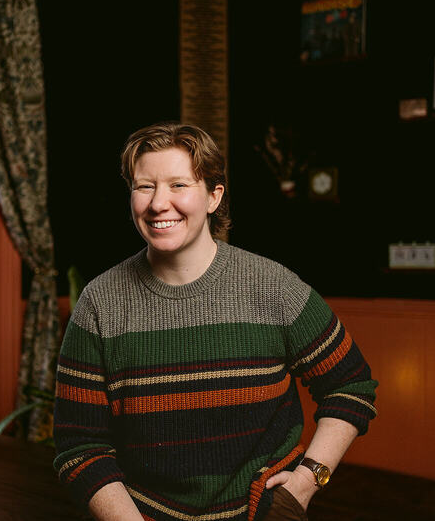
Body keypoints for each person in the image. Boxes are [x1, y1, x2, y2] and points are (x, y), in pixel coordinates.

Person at [53, 122, 377, 521]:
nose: (158, 203)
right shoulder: (99, 304)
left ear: (213, 196)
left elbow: (350, 385)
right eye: (144, 186)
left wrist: (306, 482)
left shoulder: (273, 287)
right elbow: (80, 446)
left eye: (178, 185)